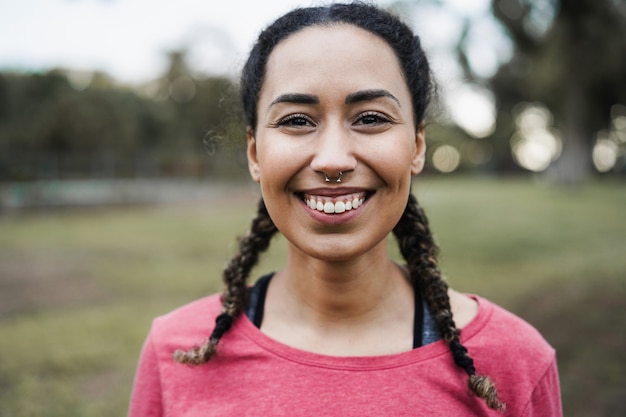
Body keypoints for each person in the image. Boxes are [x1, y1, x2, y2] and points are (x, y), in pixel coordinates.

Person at [128, 3, 562, 416]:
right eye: (297, 120)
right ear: (255, 153)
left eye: (370, 118)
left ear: (416, 146)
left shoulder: (515, 361)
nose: (333, 160)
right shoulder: (175, 351)